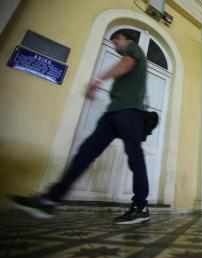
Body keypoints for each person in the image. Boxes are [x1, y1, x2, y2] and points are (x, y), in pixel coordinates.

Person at [9, 29, 151, 225]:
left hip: (129, 113)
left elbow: (128, 63)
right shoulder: (127, 54)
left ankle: (141, 207)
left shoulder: (133, 49)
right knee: (85, 153)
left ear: (126, 39)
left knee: (135, 158)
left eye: (116, 40)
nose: (114, 44)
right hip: (113, 113)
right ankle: (49, 200)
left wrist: (99, 80)